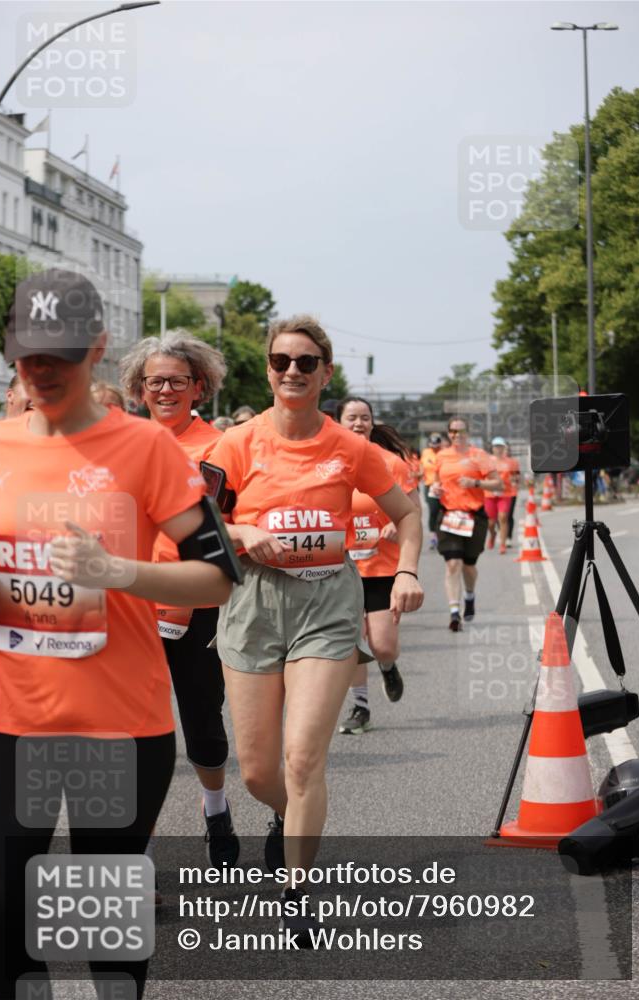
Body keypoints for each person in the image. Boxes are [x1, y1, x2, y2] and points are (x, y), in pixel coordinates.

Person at [0, 269, 233, 999]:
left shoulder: (147, 450)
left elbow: (217, 578)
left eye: (61, 353)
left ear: (97, 347)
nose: (44, 370)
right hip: (9, 721)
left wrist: (117, 571)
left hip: (118, 724)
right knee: (2, 913)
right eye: (30, 353)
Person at [208, 315, 423, 935]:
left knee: (303, 760)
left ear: (326, 373)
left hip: (327, 603)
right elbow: (196, 520)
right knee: (256, 771)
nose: (293, 372)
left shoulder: (352, 448)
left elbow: (406, 517)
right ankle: (291, 815)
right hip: (252, 603)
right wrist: (243, 530)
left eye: (306, 363)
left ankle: (298, 889)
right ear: (269, 370)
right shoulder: (237, 444)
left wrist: (405, 572)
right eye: (282, 362)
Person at [119, 330, 239, 867]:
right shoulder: (114, 442)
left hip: (197, 605)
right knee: (129, 733)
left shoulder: (221, 446)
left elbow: (233, 522)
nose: (164, 390)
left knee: (202, 724)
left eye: (176, 380)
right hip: (126, 605)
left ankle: (215, 807)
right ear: (138, 389)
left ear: (199, 387)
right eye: (154, 381)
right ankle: (136, 852)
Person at [336, 398, 420, 735]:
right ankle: (361, 708)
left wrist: (396, 528)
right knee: (353, 643)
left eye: (364, 418)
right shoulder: (328, 461)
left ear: (372, 423)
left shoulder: (391, 463)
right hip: (341, 568)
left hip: (382, 567)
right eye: (351, 417)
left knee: (382, 644)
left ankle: (387, 665)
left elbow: (413, 513)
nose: (358, 423)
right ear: (338, 421)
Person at [433, 416, 500, 632]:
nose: (456, 435)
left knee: (469, 566)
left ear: (468, 433)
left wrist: (475, 482)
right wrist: (435, 489)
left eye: (461, 431)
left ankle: (469, 596)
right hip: (449, 516)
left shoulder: (479, 456)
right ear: (449, 433)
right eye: (453, 431)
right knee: (453, 563)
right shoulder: (441, 456)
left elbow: (498, 483)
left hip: (474, 517)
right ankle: (454, 612)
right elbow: (436, 481)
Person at [484, 436, 520, 554]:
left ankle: (502, 544)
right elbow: (482, 476)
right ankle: (493, 534)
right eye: (496, 446)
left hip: (505, 493)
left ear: (504, 448)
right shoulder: (487, 461)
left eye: (500, 446)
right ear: (492, 448)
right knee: (491, 522)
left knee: (503, 517)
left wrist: (514, 481)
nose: (498, 449)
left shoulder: (511, 462)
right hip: (489, 494)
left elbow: (516, 477)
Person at [420, 433, 445, 549]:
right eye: (432, 444)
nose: (435, 447)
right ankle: (433, 536)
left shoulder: (445, 453)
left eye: (437, 444)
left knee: (443, 511)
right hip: (430, 486)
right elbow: (421, 468)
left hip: (444, 486)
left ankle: (442, 535)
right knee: (433, 510)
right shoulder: (426, 453)